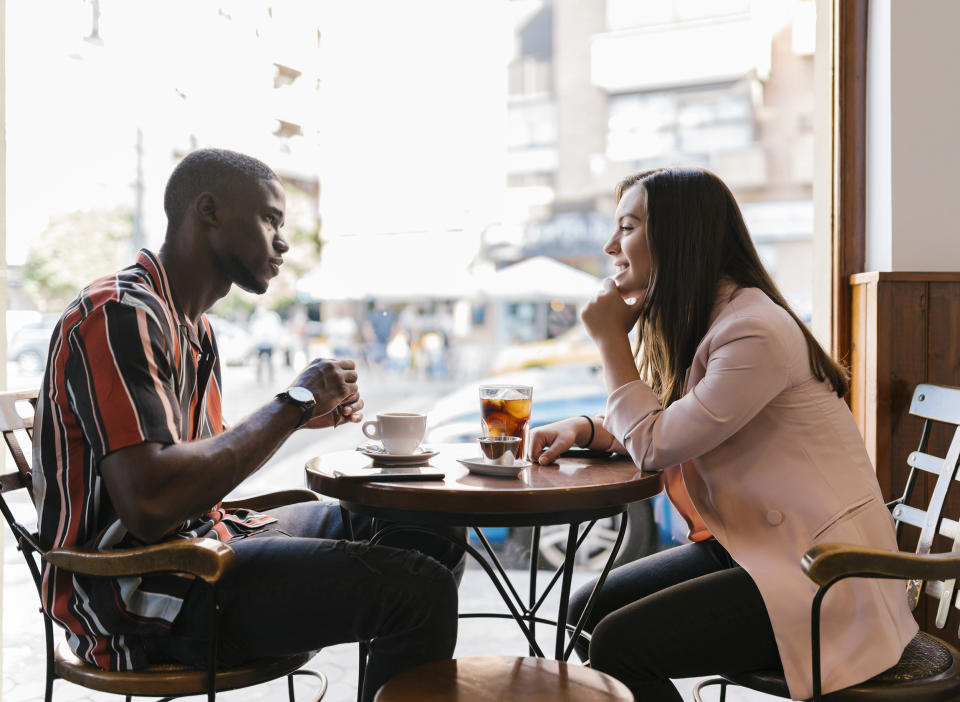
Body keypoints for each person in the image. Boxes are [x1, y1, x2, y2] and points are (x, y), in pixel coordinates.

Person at [33, 148, 461, 702]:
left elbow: (195, 456)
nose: (282, 241)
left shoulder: (193, 328)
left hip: (201, 544)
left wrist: (297, 419)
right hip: (137, 594)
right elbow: (152, 501)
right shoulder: (121, 312)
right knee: (417, 588)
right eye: (270, 219)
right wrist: (296, 400)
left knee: (428, 531)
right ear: (208, 210)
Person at [530, 168, 917, 701]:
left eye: (627, 227)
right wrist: (588, 429)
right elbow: (684, 425)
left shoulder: (752, 330)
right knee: (584, 613)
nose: (609, 245)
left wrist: (609, 341)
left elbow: (656, 446)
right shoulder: (716, 317)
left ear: (679, 236)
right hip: (760, 548)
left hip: (824, 574)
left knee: (619, 643)